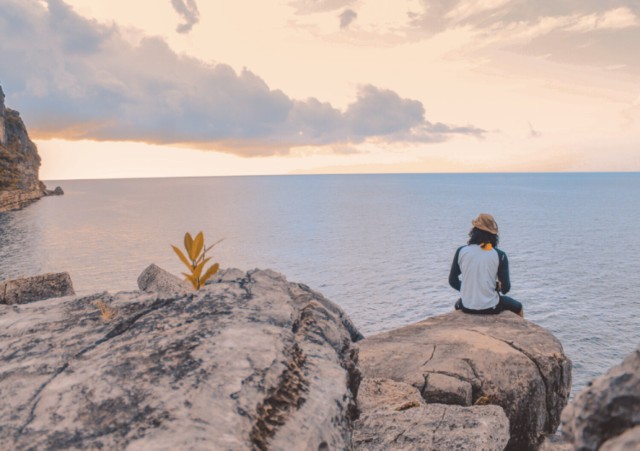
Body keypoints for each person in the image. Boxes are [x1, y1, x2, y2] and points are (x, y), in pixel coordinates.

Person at [448, 213, 524, 317]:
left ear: (473, 231)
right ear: (493, 235)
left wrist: (469, 289)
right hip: (491, 307)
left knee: (457, 304)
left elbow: (452, 281)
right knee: (519, 306)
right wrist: (496, 287)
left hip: (466, 306)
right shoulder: (499, 255)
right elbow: (505, 289)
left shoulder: (461, 251)